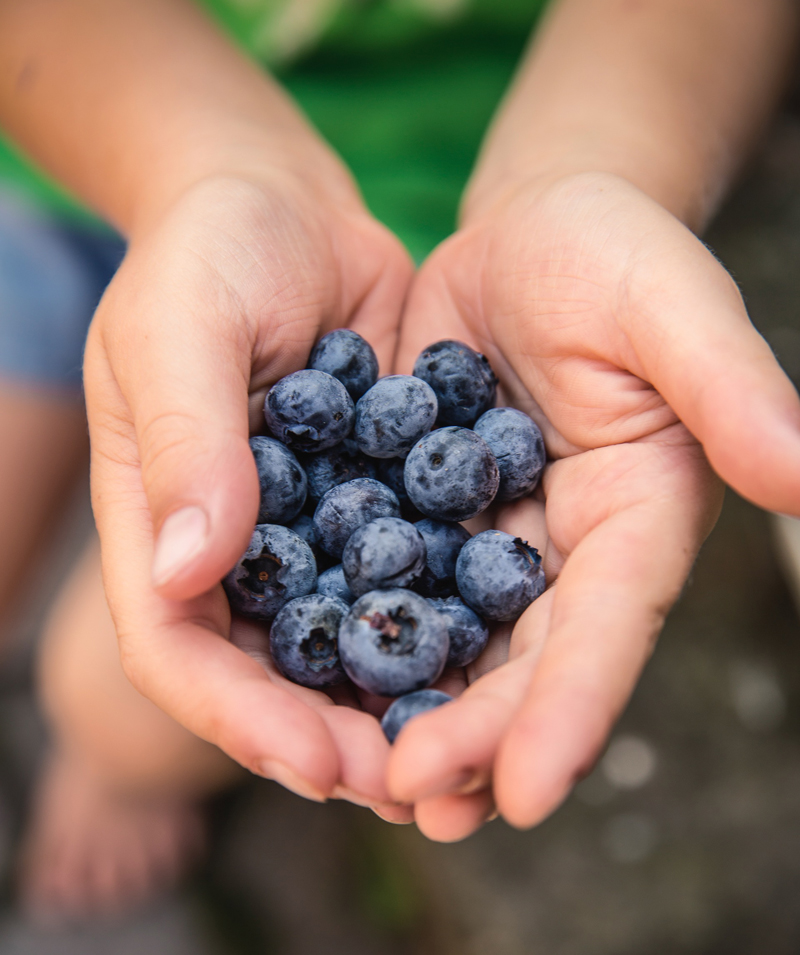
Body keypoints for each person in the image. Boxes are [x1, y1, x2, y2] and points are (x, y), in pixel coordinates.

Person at [0, 0, 799, 918]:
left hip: (446, 220)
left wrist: (593, 168)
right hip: (83, 155)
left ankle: (117, 772)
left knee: (117, 701)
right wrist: (205, 173)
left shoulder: (414, 504)